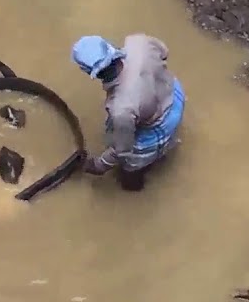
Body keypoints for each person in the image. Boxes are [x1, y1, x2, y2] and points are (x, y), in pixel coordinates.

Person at [70, 34, 187, 191]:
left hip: (160, 122)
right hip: (174, 92)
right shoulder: (138, 42)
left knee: (130, 169)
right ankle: (164, 150)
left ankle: (135, 187)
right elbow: (164, 51)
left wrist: (98, 165)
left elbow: (122, 150)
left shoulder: (120, 108)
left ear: (89, 72)